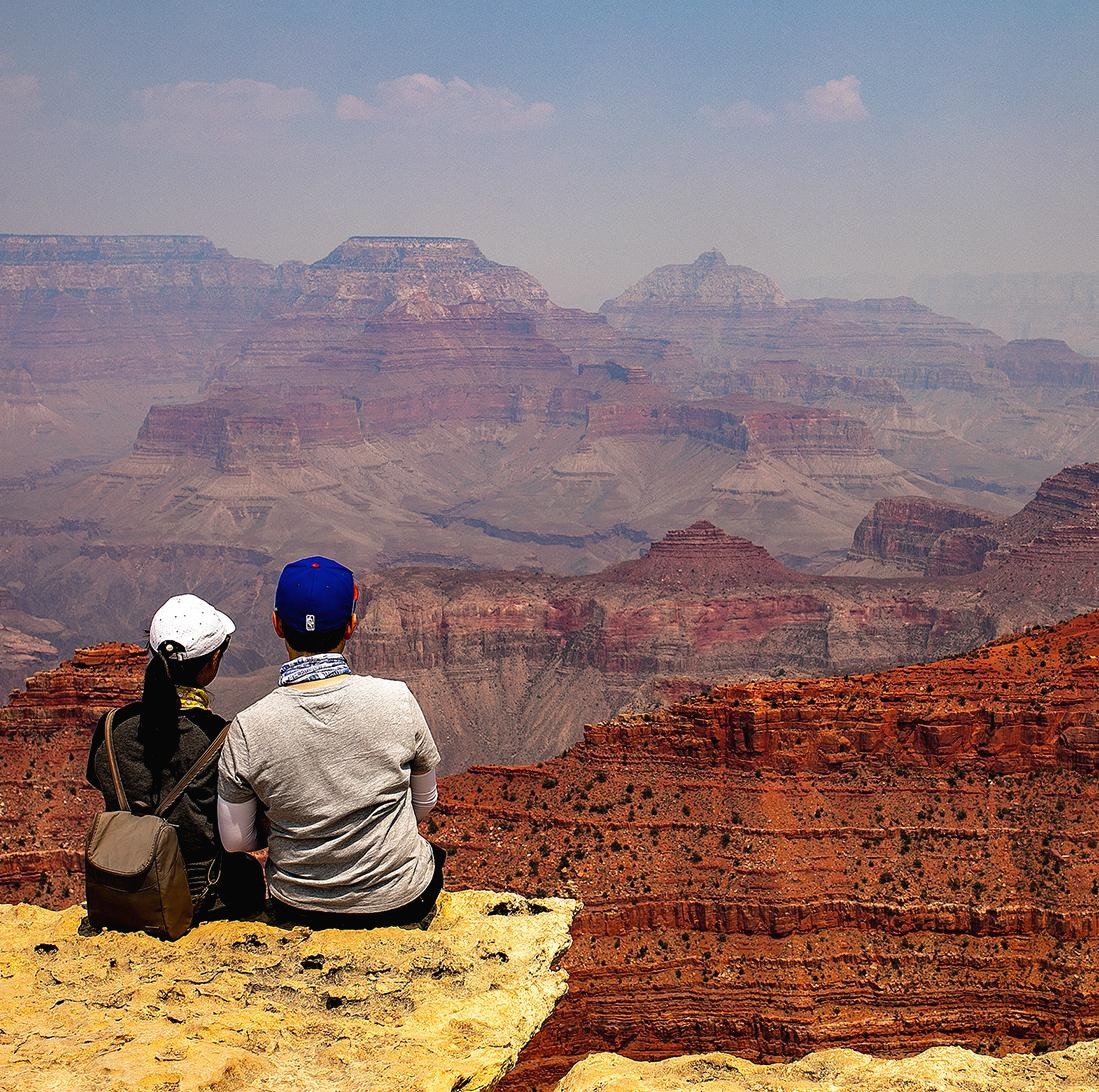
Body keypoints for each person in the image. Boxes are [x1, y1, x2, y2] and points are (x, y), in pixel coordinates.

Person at [217, 556, 443, 928]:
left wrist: (295, 824)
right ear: (351, 625)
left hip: (299, 908)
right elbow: (425, 801)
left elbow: (236, 841)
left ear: (277, 624)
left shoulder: (248, 727)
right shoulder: (397, 699)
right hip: (401, 901)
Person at [87, 594, 266, 919]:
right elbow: (241, 836)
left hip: (125, 890)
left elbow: (99, 782)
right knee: (248, 872)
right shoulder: (221, 738)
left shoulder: (111, 728)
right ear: (212, 662)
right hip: (206, 899)